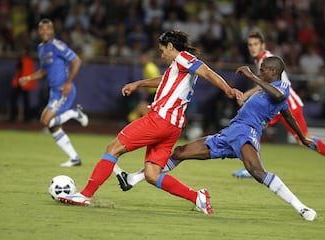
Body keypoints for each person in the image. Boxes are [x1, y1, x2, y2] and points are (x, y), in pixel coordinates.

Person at [57, 30, 242, 215]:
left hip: (159, 120)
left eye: (162, 50)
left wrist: (228, 89)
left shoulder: (184, 57)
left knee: (113, 148)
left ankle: (85, 195)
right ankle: (197, 197)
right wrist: (139, 83)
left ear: (170, 46)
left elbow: (207, 72)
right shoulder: (179, 65)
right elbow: (165, 80)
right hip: (173, 126)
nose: (161, 54)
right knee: (152, 175)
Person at [114, 56, 318, 221]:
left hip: (246, 133)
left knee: (257, 172)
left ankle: (301, 207)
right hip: (229, 133)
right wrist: (302, 136)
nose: (260, 71)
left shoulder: (281, 87)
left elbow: (281, 99)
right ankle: (134, 178)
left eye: (263, 69)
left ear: (273, 72)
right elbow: (288, 115)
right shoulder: (265, 90)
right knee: (181, 152)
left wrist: (251, 77)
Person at [231, 31, 325, 178]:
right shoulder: (262, 59)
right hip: (275, 104)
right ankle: (252, 167)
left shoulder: (266, 60)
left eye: (255, 44)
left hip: (287, 103)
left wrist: (246, 95)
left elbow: (266, 85)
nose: (252, 47)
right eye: (249, 45)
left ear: (263, 45)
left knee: (303, 139)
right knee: (255, 127)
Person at [19, 18, 88, 167]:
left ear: (52, 31)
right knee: (52, 126)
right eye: (42, 29)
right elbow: (45, 70)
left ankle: (75, 113)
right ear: (38, 31)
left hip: (63, 90)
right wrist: (29, 77)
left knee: (45, 121)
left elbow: (76, 61)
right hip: (54, 92)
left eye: (47, 29)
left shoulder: (57, 45)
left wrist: (68, 82)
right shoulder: (41, 48)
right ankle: (74, 158)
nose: (45, 32)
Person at [127, 49, 161, 122]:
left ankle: (133, 125)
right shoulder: (147, 67)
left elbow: (157, 82)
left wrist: (142, 86)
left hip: (155, 94)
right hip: (152, 94)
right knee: (142, 109)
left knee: (142, 109)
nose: (141, 60)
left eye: (142, 58)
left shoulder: (150, 68)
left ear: (146, 58)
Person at [9, 47, 37, 122]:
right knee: (23, 101)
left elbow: (18, 72)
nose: (21, 52)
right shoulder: (27, 60)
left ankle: (17, 117)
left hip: (22, 82)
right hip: (23, 83)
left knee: (21, 100)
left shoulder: (23, 60)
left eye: (23, 50)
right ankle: (25, 117)